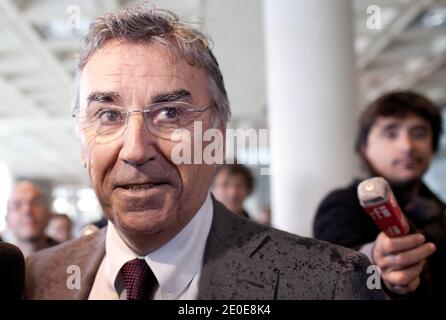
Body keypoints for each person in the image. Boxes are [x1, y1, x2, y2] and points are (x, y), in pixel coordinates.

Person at [25, 1, 385, 300]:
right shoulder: (34, 278)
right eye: (108, 115)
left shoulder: (328, 283)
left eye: (169, 114)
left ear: (217, 135)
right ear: (83, 141)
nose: (135, 149)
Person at [314, 91, 446, 299]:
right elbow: (332, 271)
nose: (407, 146)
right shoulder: (341, 205)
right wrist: (375, 260)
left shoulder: (433, 207)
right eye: (391, 133)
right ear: (364, 146)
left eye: (419, 133)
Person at [6, 181, 58, 258]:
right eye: (17, 205)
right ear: (7, 220)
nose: (27, 210)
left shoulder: (70, 258)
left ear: (48, 215)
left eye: (35, 202)